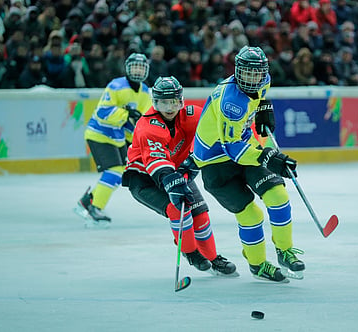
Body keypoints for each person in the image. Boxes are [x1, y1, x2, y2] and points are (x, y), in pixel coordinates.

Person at [193, 45, 304, 283]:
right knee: (251, 215)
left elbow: (259, 97)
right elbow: (232, 149)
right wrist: (267, 157)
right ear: (236, 72)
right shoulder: (230, 101)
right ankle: (258, 265)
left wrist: (264, 108)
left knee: (278, 195)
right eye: (247, 73)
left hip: (244, 147)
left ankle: (285, 251)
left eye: (257, 73)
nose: (253, 79)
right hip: (216, 162)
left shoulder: (264, 81)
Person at [122, 76, 237, 276]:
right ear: (155, 102)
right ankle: (191, 253)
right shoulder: (147, 126)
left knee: (200, 212)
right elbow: (156, 161)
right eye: (163, 102)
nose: (169, 107)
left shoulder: (191, 115)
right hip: (144, 179)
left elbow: (214, 127)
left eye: (173, 101)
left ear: (181, 100)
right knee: (178, 211)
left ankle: (212, 257)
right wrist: (173, 180)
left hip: (175, 172)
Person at [74, 53, 152, 228]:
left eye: (141, 67)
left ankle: (87, 202)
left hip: (118, 137)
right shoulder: (116, 86)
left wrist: (139, 138)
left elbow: (142, 120)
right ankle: (95, 208)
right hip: (99, 133)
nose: (138, 70)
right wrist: (126, 113)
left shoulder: (146, 91)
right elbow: (102, 113)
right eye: (135, 66)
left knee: (119, 172)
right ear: (127, 68)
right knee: (115, 171)